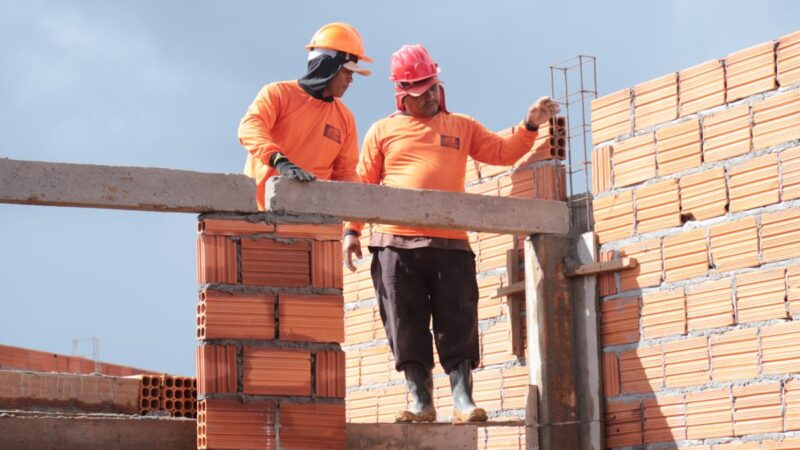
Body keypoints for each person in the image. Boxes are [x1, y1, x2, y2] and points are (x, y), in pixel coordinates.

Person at [342, 44, 559, 424]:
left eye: (432, 86)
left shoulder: (460, 126)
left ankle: (462, 398)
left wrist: (530, 125)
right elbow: (363, 182)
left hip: (450, 245)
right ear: (401, 94)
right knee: (405, 324)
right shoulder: (383, 131)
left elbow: (501, 151)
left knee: (457, 321)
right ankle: (420, 402)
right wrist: (352, 231)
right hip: (395, 244)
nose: (429, 95)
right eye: (420, 90)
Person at [238, 22, 371, 210]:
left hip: (313, 221)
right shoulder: (278, 93)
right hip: (261, 213)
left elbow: (345, 172)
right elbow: (250, 127)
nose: (351, 79)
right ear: (327, 65)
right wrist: (278, 161)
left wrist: (356, 210)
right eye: (346, 71)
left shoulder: (345, 118)